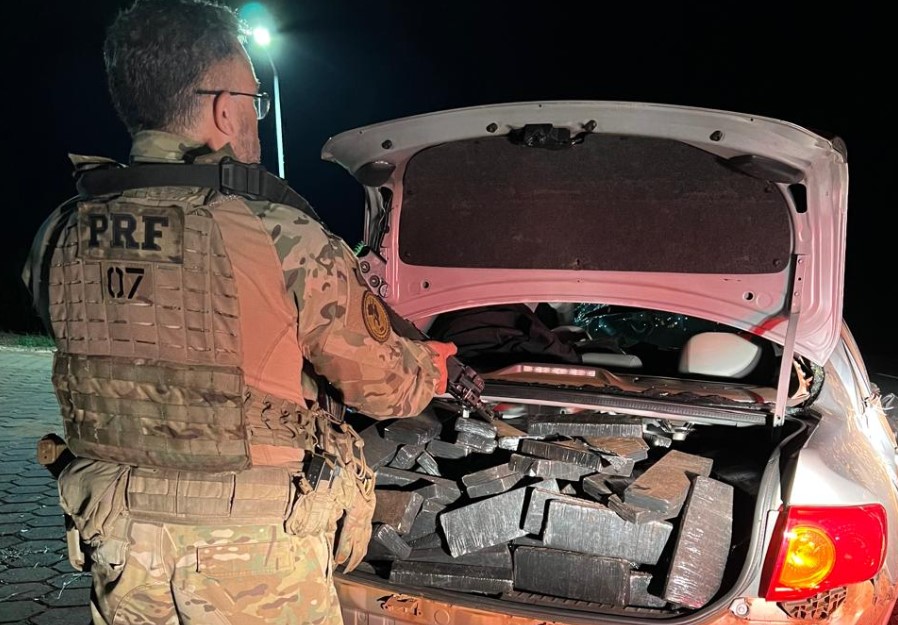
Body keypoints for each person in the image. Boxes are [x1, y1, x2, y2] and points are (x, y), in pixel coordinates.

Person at [21, 0, 457, 623]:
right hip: (253, 559)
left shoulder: (58, 232)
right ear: (225, 110)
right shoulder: (282, 234)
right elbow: (386, 389)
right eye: (256, 100)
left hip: (118, 541)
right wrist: (429, 370)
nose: (256, 115)